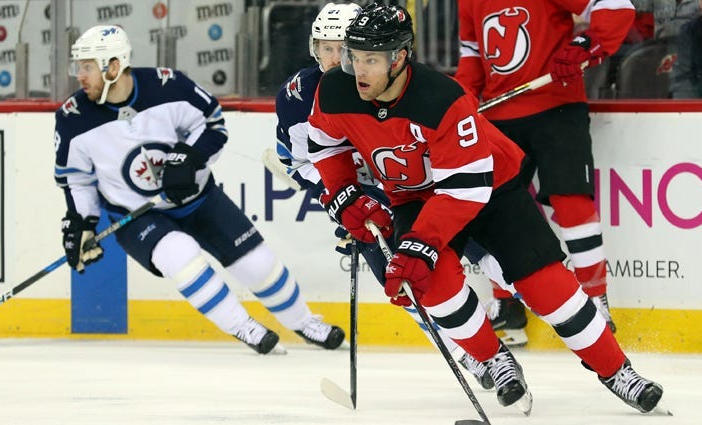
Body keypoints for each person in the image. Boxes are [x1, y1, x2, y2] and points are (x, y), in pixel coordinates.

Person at [308, 2, 665, 414]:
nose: (359, 70)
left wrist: (420, 244)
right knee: (432, 285)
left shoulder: (442, 98)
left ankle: (617, 370)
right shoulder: (335, 89)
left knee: (548, 287)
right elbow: (325, 143)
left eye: (370, 59)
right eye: (353, 57)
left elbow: (464, 191)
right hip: (417, 198)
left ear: (400, 57)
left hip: (490, 189)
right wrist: (344, 192)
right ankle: (494, 358)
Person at [53, 25, 344, 355]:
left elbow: (213, 125)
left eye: (87, 66)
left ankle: (304, 322)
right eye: (79, 67)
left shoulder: (168, 86)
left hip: (198, 198)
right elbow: (76, 179)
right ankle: (243, 326)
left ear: (114, 66)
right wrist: (83, 223)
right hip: (136, 216)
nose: (79, 76)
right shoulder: (72, 118)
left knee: (258, 264)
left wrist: (190, 157)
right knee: (179, 255)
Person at [272, 1, 498, 389]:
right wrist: (339, 201)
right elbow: (300, 161)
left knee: (488, 245)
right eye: (326, 47)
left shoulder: (394, 82)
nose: (335, 58)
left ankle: (542, 306)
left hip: (415, 185)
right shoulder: (298, 95)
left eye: (343, 48)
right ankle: (469, 356)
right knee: (401, 279)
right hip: (362, 194)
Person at [455, 0, 636, 334]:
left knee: (571, 203)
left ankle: (596, 301)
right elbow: (472, 58)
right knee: (498, 212)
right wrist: (460, 101)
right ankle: (508, 304)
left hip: (557, 106)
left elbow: (616, 6)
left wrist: (586, 44)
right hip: (498, 117)